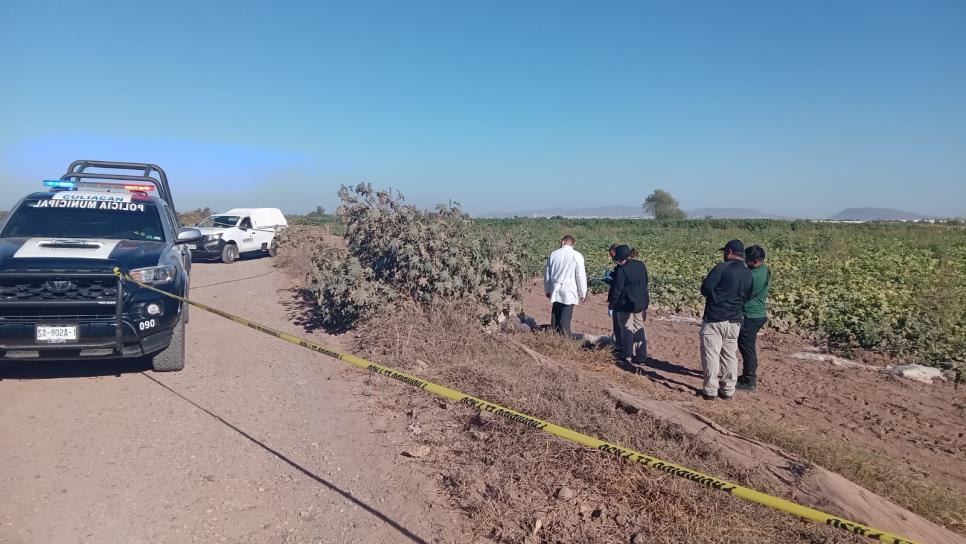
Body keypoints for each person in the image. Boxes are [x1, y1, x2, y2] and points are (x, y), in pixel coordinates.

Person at [698, 240, 753, 400]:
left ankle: (710, 391)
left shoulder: (721, 268)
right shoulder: (747, 273)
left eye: (724, 252)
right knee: (730, 355)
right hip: (735, 320)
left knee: (711, 354)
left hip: (714, 318)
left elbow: (705, 289)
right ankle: (728, 390)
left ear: (729, 252)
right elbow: (748, 296)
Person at [607, 244, 649, 366]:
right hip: (640, 303)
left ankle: (627, 356)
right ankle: (641, 357)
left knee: (626, 330)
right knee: (639, 329)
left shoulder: (621, 270)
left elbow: (617, 290)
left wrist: (611, 305)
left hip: (625, 305)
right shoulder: (641, 265)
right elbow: (645, 283)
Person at [737, 245, 770, 391]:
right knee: (746, 347)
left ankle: (749, 381)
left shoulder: (753, 276)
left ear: (755, 261)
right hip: (758, 313)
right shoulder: (764, 269)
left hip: (751, 315)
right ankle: (746, 376)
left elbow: (741, 292)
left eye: (747, 261)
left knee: (747, 349)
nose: (745, 263)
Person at [544, 235, 588, 337]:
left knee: (556, 312)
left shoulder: (554, 254)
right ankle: (564, 338)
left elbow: (547, 274)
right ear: (573, 244)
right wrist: (583, 292)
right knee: (566, 314)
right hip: (569, 289)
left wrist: (547, 289)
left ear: (562, 242)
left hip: (555, 287)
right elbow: (580, 275)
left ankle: (554, 335)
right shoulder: (576, 255)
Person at [602, 244, 622, 346]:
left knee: (620, 327)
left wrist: (611, 306)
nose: (613, 258)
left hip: (620, 302)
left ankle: (620, 348)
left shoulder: (622, 268)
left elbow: (617, 289)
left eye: (612, 256)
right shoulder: (634, 265)